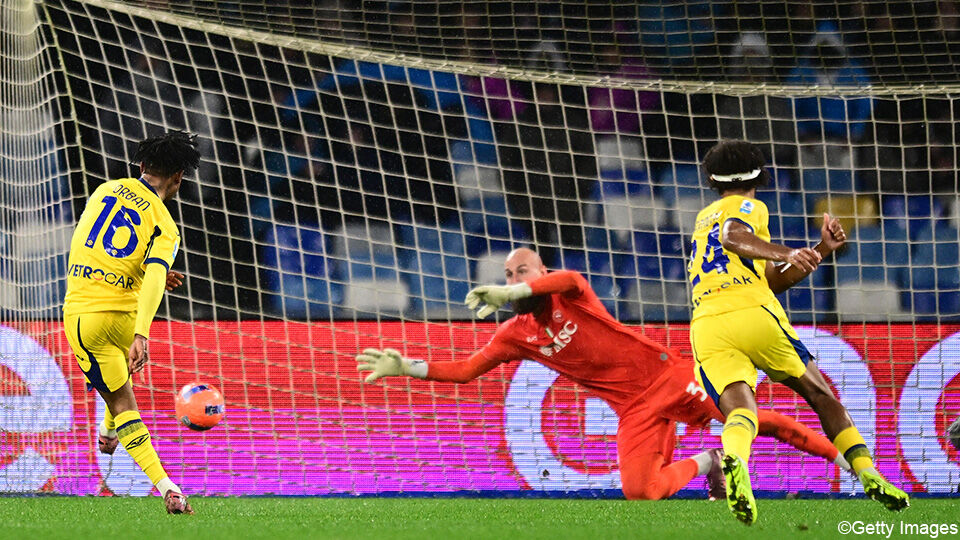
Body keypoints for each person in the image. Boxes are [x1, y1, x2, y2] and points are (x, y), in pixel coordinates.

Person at [356, 247, 850, 501]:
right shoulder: (513, 335)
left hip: (669, 376)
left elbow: (571, 277)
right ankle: (712, 462)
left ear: (540, 273)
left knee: (755, 419)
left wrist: (511, 295)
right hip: (633, 409)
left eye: (523, 271)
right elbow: (466, 370)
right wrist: (407, 367)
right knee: (641, 492)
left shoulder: (568, 292)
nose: (514, 279)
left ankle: (847, 460)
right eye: (507, 275)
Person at [689, 140, 909, 524]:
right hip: (751, 313)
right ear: (759, 175)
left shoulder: (702, 218)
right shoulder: (749, 207)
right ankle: (868, 473)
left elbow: (773, 280)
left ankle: (735, 461)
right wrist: (785, 251)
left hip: (707, 323)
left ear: (711, 179)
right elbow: (732, 236)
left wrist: (821, 249)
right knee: (820, 395)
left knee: (740, 412)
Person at [63, 131, 199, 514]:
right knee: (121, 381)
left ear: (141, 166)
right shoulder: (166, 226)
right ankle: (108, 434)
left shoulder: (104, 190)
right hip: (125, 317)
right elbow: (154, 276)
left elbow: (89, 244)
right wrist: (141, 332)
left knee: (121, 400)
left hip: (85, 315)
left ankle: (167, 487)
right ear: (178, 178)